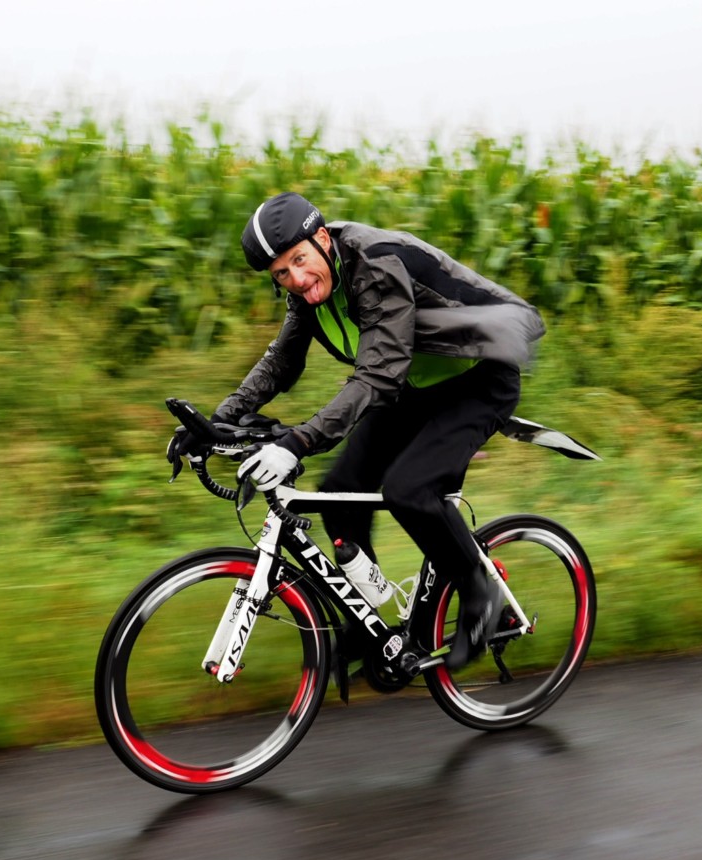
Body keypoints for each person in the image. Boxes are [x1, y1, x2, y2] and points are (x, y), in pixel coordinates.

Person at [174, 191, 545, 672]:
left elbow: (378, 375)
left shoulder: (374, 263)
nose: (296, 280)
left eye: (299, 261)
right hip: (412, 387)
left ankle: (481, 597)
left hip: (477, 378)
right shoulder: (306, 293)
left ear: (322, 239)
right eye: (281, 274)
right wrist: (214, 422)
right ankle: (364, 622)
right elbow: (281, 362)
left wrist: (299, 441)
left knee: (409, 490)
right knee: (338, 494)